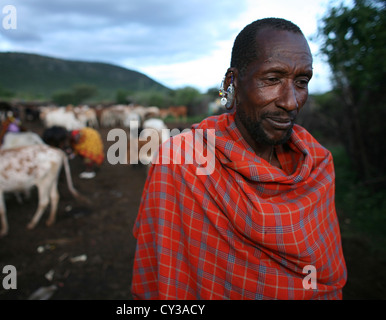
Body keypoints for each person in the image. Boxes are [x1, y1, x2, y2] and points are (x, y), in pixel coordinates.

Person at [131, 18, 347, 300]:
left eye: (301, 82)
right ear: (232, 82)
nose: (291, 101)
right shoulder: (180, 162)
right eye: (272, 79)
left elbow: (323, 273)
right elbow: (160, 268)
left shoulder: (317, 164)